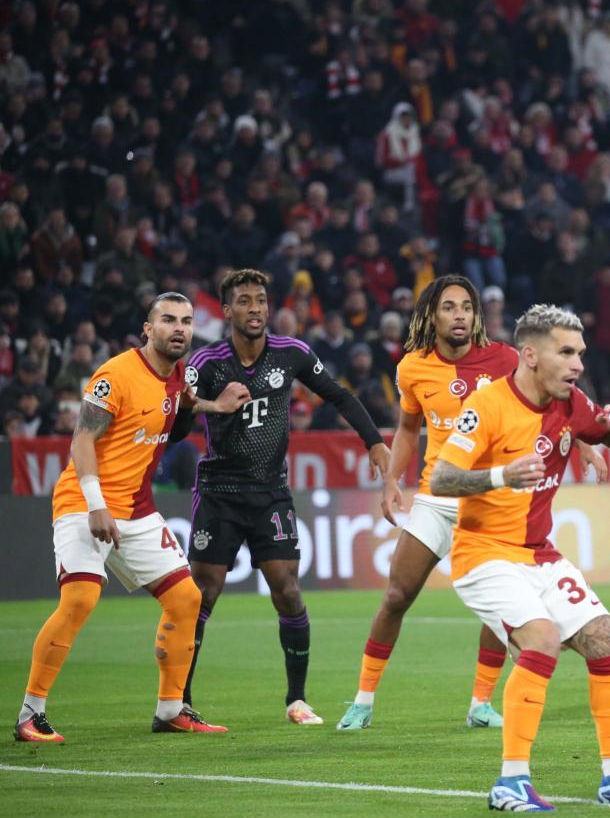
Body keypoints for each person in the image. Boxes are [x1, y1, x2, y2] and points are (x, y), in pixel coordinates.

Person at [431, 304, 610, 811]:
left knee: (607, 643)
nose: (578, 364)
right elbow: (440, 478)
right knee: (543, 639)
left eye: (581, 353)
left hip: (540, 555)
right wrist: (501, 476)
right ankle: (510, 781)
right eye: (566, 353)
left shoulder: (571, 402)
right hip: (484, 553)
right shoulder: (486, 406)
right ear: (530, 355)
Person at [14, 293, 247, 742]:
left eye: (186, 321)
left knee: (186, 599)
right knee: (80, 600)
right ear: (148, 329)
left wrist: (214, 406)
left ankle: (171, 710)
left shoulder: (177, 373)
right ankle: (30, 714)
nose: (178, 328)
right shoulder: (115, 374)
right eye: (168, 320)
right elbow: (81, 440)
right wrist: (95, 503)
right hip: (85, 501)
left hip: (136, 509)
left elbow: (177, 402)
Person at [183, 269, 391, 725]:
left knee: (288, 591)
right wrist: (213, 404)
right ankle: (179, 701)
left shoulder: (291, 353)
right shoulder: (207, 362)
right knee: (201, 597)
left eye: (260, 299)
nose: (255, 308)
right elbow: (179, 418)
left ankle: (296, 699)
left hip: (270, 493)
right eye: (244, 301)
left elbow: (338, 395)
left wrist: (374, 441)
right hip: (219, 492)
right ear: (227, 310)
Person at [337, 275, 518, 731]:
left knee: (502, 607)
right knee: (397, 595)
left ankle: (481, 704)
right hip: (437, 500)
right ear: (431, 316)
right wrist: (391, 482)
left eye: (467, 307)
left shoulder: (506, 360)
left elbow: (546, 402)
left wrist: (584, 443)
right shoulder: (412, 368)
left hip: (490, 502)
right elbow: (407, 428)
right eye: (449, 307)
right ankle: (362, 701)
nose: (460, 316)